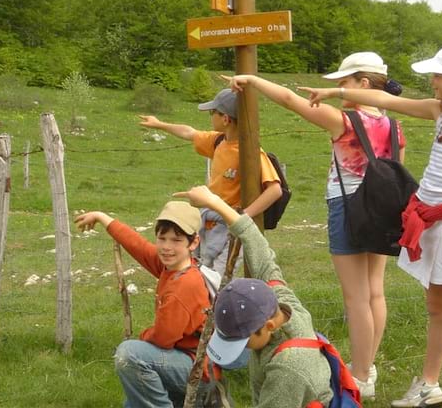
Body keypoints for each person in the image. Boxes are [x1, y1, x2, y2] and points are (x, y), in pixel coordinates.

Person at [302, 42, 442, 408]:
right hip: (431, 226)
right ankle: (428, 385)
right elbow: (388, 102)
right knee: (437, 309)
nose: (433, 82)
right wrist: (336, 91)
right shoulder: (440, 112)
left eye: (439, 76)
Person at [224, 52, 406, 398]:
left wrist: (254, 81)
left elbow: (292, 101)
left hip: (349, 207)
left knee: (355, 298)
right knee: (375, 290)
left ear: (364, 84)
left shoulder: (346, 120)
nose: (339, 88)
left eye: (345, 82)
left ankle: (363, 375)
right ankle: (367, 366)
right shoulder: (395, 126)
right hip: (385, 211)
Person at [173, 185, 333, 408]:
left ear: (268, 325)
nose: (244, 348)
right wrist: (213, 201)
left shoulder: (287, 371)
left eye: (242, 341)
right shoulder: (281, 300)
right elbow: (255, 243)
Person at [74, 201, 210, 408]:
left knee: (130, 355)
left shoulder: (184, 285)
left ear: (193, 243)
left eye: (176, 240)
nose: (166, 247)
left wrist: (144, 336)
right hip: (184, 361)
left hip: (196, 371)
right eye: (162, 238)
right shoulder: (175, 266)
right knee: (135, 399)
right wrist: (103, 217)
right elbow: (138, 245)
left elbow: (163, 339)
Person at [139, 88, 282, 276]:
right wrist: (159, 124)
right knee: (199, 271)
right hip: (208, 222)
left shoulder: (250, 153)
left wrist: (243, 218)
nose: (210, 116)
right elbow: (189, 132)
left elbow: (275, 190)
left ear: (226, 119)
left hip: (229, 225)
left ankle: (214, 304)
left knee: (219, 278)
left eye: (212, 112)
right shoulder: (218, 141)